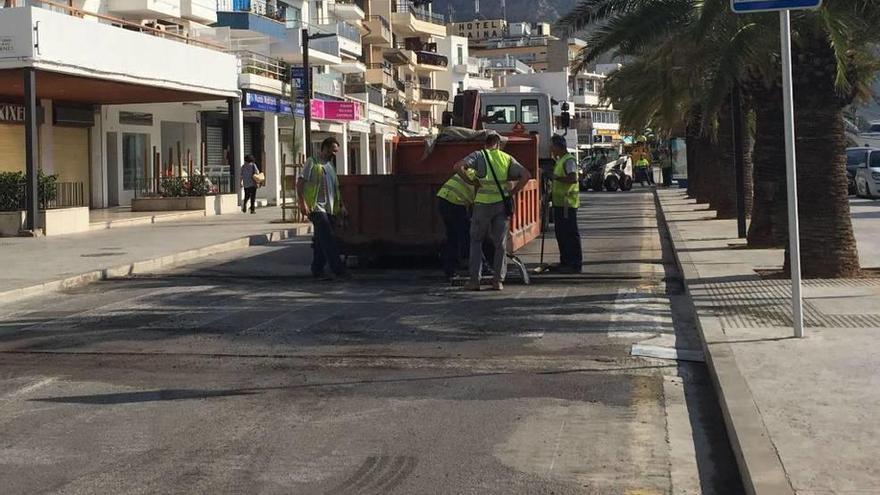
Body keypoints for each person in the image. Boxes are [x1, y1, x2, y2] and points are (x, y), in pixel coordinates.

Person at [453, 132, 532, 291]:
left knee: (476, 241)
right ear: (498, 144)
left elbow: (457, 166)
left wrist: (470, 180)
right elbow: (526, 175)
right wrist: (513, 192)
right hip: (501, 206)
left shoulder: (478, 155)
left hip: (482, 205)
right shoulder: (506, 158)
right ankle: (498, 281)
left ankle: (475, 281)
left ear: (485, 143)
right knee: (500, 244)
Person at [296, 137, 349, 280]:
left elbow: (335, 189)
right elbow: (300, 183)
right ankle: (338, 269)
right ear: (324, 148)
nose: (334, 154)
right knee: (328, 238)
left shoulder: (330, 167)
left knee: (321, 240)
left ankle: (317, 269)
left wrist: (341, 205)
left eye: (336, 151)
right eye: (333, 150)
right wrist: (302, 203)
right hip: (316, 207)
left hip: (330, 208)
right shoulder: (311, 162)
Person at [436, 168, 478, 281]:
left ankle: (450, 270)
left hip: (443, 199)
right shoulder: (484, 178)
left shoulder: (473, 170)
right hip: (455, 203)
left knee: (453, 237)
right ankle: (476, 266)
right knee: (466, 236)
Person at [549, 134, 583, 273]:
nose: (551, 149)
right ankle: (565, 261)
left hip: (567, 204)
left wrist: (557, 178)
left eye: (552, 146)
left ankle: (574, 263)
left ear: (558, 147)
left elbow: (573, 178)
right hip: (560, 204)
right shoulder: (560, 160)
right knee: (561, 234)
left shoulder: (568, 160)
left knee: (569, 234)